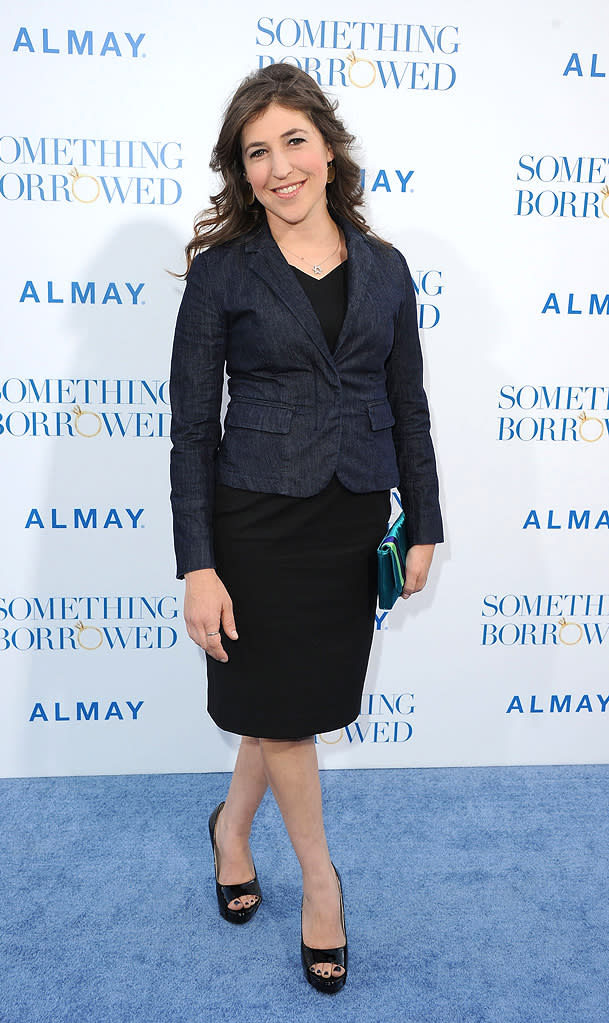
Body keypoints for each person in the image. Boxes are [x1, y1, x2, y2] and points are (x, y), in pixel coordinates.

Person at [169, 64, 443, 994]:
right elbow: (189, 428)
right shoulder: (221, 276)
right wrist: (197, 563)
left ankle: (231, 828)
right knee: (283, 714)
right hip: (253, 523)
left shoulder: (387, 268)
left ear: (327, 148)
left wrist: (424, 523)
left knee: (281, 708)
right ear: (242, 175)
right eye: (257, 153)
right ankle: (321, 883)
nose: (279, 165)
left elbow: (408, 406)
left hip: (350, 518)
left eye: (293, 141)